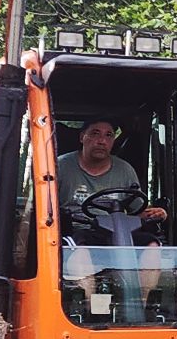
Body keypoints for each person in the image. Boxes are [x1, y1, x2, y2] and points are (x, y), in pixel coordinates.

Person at [56, 118, 168, 315]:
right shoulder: (61, 167)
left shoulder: (125, 170)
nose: (102, 140)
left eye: (109, 135)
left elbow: (137, 210)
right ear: (83, 137)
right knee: (80, 250)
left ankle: (139, 309)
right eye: (96, 133)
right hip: (78, 229)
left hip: (118, 230)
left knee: (152, 246)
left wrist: (157, 212)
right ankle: (91, 311)